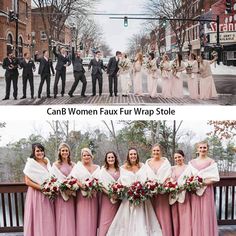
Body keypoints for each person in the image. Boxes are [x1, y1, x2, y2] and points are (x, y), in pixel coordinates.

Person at [107, 148, 162, 236]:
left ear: (137, 155)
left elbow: (149, 178)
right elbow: (120, 182)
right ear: (128, 156)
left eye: (134, 154)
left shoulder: (143, 166)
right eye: (131, 154)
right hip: (128, 199)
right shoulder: (123, 168)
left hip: (142, 199)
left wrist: (147, 188)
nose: (133, 156)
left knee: (142, 219)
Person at [23, 143, 56, 236]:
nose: (40, 152)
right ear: (33, 152)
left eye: (41, 150)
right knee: (37, 217)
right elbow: (27, 181)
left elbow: (51, 177)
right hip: (35, 194)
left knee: (47, 217)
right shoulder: (30, 163)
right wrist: (42, 188)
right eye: (37, 151)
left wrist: (51, 187)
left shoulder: (46, 162)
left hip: (47, 194)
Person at [189, 141, 220, 236]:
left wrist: (202, 183)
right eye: (200, 148)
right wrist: (193, 184)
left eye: (204, 148)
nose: (202, 149)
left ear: (207, 149)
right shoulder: (192, 162)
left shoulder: (211, 161)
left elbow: (215, 178)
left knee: (206, 213)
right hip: (195, 191)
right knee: (196, 213)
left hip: (207, 190)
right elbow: (189, 177)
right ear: (197, 149)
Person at [69, 148, 100, 236]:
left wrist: (94, 186)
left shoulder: (97, 167)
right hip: (82, 197)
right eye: (84, 155)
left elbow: (100, 180)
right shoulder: (78, 166)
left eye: (88, 155)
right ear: (82, 157)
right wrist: (82, 185)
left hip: (93, 197)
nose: (86, 157)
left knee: (93, 219)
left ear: (91, 156)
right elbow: (73, 178)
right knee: (82, 219)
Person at [145, 144, 173, 236]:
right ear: (151, 152)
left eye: (158, 151)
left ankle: (165, 233)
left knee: (163, 214)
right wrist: (151, 186)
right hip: (151, 193)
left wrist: (161, 186)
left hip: (163, 192)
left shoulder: (165, 162)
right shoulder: (147, 162)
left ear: (161, 152)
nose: (156, 152)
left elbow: (169, 175)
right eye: (154, 151)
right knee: (152, 214)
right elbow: (145, 176)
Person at [50, 143, 76, 236]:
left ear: (69, 152)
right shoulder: (56, 165)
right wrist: (63, 188)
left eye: (66, 150)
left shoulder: (73, 164)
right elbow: (54, 179)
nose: (65, 152)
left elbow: (77, 178)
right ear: (60, 152)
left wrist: (73, 188)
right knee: (62, 216)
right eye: (63, 150)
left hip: (71, 195)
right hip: (60, 195)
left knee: (70, 217)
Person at [98, 151, 120, 236]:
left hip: (118, 199)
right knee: (106, 220)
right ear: (106, 159)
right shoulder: (103, 170)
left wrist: (118, 194)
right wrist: (110, 194)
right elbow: (101, 185)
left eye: (112, 157)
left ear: (115, 158)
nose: (111, 159)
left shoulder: (120, 169)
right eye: (109, 157)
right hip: (106, 198)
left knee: (117, 220)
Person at [170, 150, 192, 236]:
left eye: (179, 157)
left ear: (183, 157)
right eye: (175, 157)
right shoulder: (172, 168)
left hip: (185, 195)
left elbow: (191, 180)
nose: (177, 159)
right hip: (175, 196)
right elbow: (169, 180)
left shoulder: (188, 168)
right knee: (176, 217)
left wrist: (183, 188)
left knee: (185, 217)